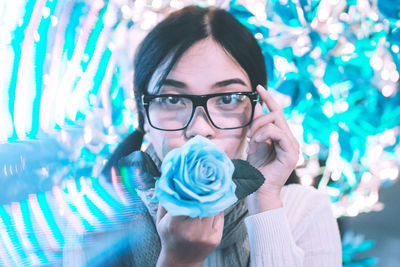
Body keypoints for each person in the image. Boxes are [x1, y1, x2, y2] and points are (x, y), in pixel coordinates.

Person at [64, 5, 342, 267]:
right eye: (172, 99)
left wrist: (264, 200)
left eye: (228, 98)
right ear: (143, 115)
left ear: (258, 110)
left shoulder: (305, 212)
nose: (199, 129)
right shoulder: (93, 222)